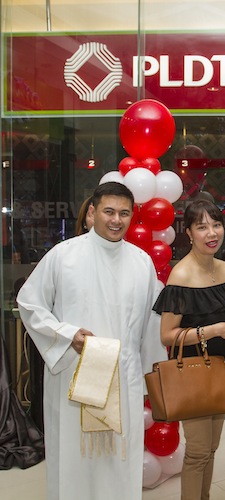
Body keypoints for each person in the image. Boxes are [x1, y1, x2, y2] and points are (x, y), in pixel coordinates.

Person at [17, 181, 166, 500]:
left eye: (124, 213)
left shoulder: (141, 263)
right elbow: (29, 303)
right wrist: (68, 335)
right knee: (74, 462)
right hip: (74, 375)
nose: (116, 220)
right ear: (92, 213)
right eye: (109, 211)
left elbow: (152, 322)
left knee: (118, 461)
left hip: (122, 379)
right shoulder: (63, 256)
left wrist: (147, 378)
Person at [153, 198, 225, 500]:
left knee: (210, 449)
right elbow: (167, 335)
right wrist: (213, 330)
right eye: (202, 226)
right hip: (194, 376)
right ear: (190, 233)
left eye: (216, 224)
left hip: (223, 374)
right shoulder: (180, 277)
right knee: (196, 453)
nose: (211, 233)